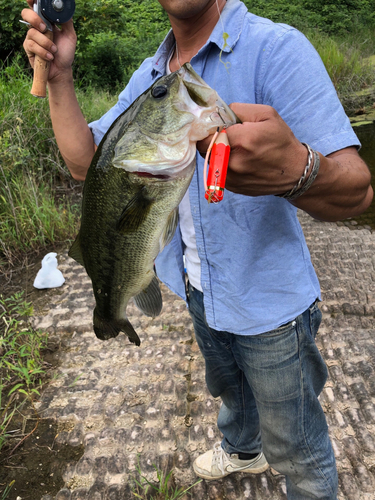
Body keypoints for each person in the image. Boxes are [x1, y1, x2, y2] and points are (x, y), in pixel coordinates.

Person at [22, 0, 373, 498]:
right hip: (195, 290)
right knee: (229, 390)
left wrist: (298, 169)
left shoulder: (277, 49)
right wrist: (59, 77)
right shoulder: (151, 76)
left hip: (271, 309)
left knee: (298, 447)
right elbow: (88, 164)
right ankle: (241, 448)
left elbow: (358, 192)